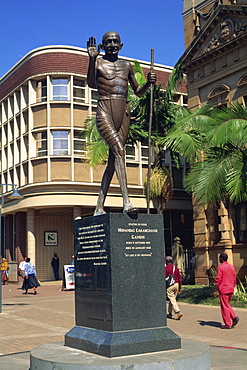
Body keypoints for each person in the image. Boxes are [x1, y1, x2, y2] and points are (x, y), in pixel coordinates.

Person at [87, 31, 156, 215]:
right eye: (108, 42)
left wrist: (149, 83)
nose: (112, 44)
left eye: (115, 41)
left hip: (124, 111)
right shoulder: (99, 62)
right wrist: (92, 59)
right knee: (120, 151)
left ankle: (99, 207)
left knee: (113, 162)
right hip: (105, 109)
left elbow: (138, 92)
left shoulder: (126, 66)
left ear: (121, 45)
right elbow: (91, 84)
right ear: (102, 46)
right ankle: (127, 202)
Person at [212, 252, 239, 329]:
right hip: (230, 288)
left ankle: (228, 323)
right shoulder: (232, 267)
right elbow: (234, 279)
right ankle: (234, 317)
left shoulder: (220, 268)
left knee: (224, 306)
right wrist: (233, 287)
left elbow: (218, 280)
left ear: (221, 259)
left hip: (224, 289)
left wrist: (214, 290)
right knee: (227, 304)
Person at [165, 256, 183, 320]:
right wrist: (180, 288)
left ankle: (178, 312)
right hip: (176, 284)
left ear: (166, 262)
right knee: (172, 299)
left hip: (170, 285)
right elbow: (180, 278)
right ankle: (169, 313)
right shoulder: (176, 268)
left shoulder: (165, 268)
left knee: (172, 299)